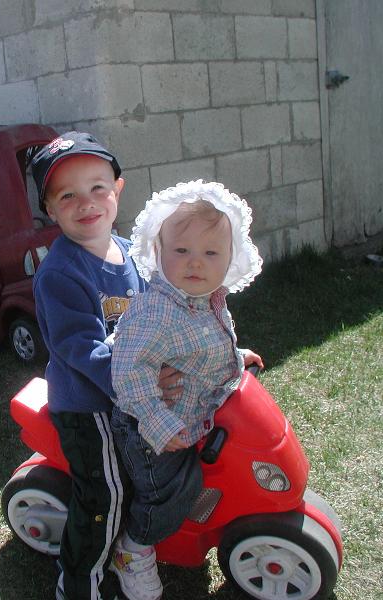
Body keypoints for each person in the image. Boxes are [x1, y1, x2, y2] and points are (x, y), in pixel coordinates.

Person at [31, 132, 176, 600]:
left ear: (118, 189)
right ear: (50, 209)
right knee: (105, 496)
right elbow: (83, 350)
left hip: (131, 395)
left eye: (97, 188)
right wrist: (143, 383)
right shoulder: (61, 274)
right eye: (67, 196)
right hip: (87, 405)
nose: (86, 203)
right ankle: (78, 583)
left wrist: (217, 354)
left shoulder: (133, 253)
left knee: (150, 475)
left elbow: (166, 317)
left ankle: (134, 547)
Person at [108, 180, 264, 600]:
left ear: (229, 258)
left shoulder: (206, 298)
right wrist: (158, 422)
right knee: (174, 488)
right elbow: (128, 373)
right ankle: (134, 549)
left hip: (188, 414)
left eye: (211, 253)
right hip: (147, 427)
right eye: (181, 250)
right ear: (159, 252)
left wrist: (235, 357)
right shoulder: (155, 311)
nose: (195, 262)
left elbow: (204, 346)